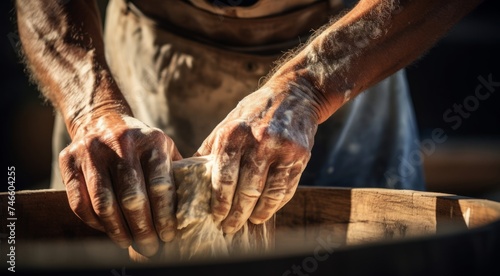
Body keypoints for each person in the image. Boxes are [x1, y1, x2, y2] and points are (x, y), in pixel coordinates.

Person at [15, 0, 482, 257]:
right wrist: (92, 108)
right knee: (120, 213)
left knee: (375, 266)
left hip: (351, 50)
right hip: (143, 56)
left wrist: (310, 88)